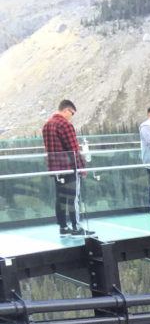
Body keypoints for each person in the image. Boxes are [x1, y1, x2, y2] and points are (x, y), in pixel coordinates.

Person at [42, 99, 92, 236]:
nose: (72, 116)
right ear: (66, 110)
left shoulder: (47, 125)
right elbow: (74, 149)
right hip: (69, 167)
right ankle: (76, 227)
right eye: (72, 113)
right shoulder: (65, 125)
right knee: (73, 197)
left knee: (60, 197)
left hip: (56, 169)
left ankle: (63, 227)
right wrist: (82, 168)